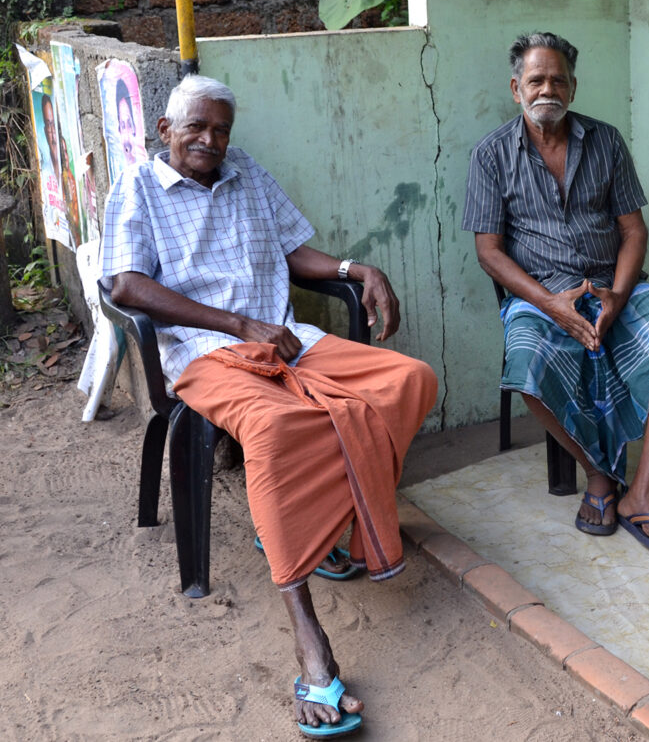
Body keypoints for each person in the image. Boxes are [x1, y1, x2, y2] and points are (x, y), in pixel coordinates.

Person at [100, 74, 437, 737]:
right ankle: (310, 638)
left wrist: (357, 270)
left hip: (288, 341)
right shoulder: (137, 187)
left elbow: (293, 250)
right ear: (165, 130)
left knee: (409, 381)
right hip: (206, 353)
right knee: (281, 428)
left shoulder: (246, 172)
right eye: (196, 127)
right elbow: (126, 285)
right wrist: (237, 325)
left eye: (221, 129)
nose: (210, 140)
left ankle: (311, 522)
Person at [463, 32, 649, 554]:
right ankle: (599, 475)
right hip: (540, 295)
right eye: (536, 80)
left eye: (558, 80)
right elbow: (489, 252)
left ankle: (641, 493)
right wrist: (548, 303)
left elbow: (634, 231)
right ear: (516, 89)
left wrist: (617, 294)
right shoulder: (490, 155)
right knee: (525, 365)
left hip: (614, 284)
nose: (547, 89)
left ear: (573, 88)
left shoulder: (606, 141)